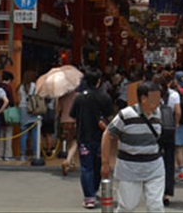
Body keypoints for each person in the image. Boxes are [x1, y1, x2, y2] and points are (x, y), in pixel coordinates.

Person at [101, 80, 165, 212]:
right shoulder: (126, 115)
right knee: (127, 207)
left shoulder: (159, 113)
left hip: (154, 167)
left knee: (156, 207)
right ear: (143, 98)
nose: (158, 102)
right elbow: (108, 135)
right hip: (129, 168)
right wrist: (105, 162)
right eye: (155, 98)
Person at [72, 68, 114, 209]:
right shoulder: (105, 97)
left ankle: (89, 197)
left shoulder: (79, 97)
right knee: (97, 166)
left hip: (84, 135)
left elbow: (74, 116)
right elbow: (110, 117)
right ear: (98, 81)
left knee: (86, 167)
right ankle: (94, 190)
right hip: (102, 137)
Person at [155, 72, 180, 207]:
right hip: (169, 131)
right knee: (169, 161)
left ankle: (155, 191)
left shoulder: (152, 94)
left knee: (153, 160)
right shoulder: (174, 95)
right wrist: (175, 124)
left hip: (154, 131)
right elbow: (178, 112)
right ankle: (166, 193)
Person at [18, 70, 39, 161]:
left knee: (23, 134)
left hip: (23, 110)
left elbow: (19, 100)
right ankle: (35, 154)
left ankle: (23, 154)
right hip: (33, 110)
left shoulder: (20, 87)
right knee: (35, 133)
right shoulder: (34, 86)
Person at [58, 87, 79, 175]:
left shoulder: (62, 97)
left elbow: (58, 110)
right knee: (76, 141)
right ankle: (68, 160)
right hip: (74, 121)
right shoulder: (78, 96)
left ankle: (71, 163)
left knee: (68, 141)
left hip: (64, 121)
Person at [0, 71, 16, 162]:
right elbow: (11, 102)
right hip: (7, 113)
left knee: (0, 135)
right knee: (8, 134)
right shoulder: (8, 88)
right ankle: (8, 155)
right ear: (9, 79)